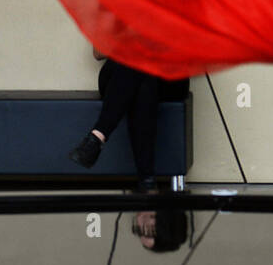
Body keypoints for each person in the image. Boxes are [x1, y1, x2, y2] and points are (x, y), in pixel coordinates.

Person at [68, 46, 188, 192]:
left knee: (144, 76)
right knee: (141, 74)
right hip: (122, 73)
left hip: (168, 75)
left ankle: (97, 136)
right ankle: (147, 181)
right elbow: (98, 53)